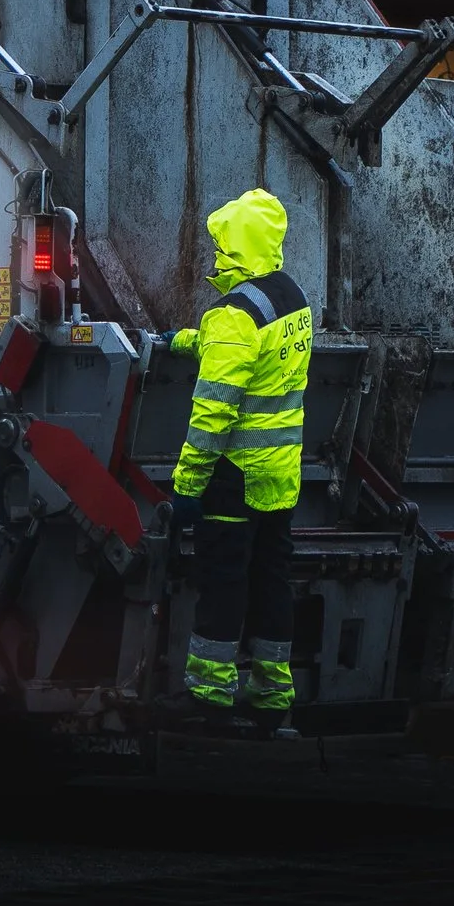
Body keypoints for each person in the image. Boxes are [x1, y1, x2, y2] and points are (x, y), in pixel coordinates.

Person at [155, 188, 314, 736]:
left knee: (222, 580)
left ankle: (209, 695)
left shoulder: (233, 313)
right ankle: (272, 694)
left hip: (233, 476)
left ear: (236, 244)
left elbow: (212, 415)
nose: (216, 251)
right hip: (280, 473)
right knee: (271, 578)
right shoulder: (291, 299)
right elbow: (255, 355)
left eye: (221, 242)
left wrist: (187, 488)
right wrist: (189, 340)